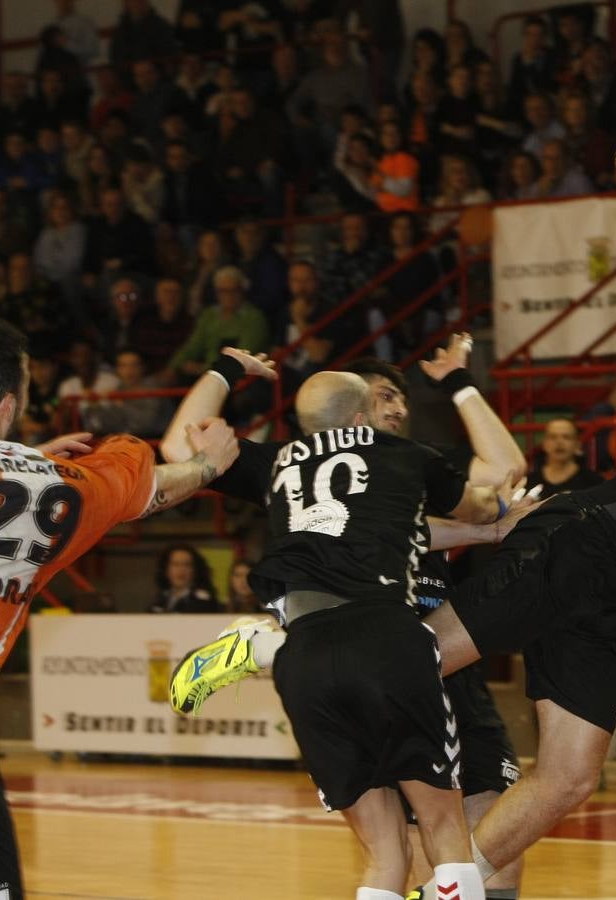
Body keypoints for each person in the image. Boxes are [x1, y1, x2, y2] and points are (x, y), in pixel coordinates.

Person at [189, 160, 616, 893]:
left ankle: (445, 889)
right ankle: (280, 635)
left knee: (570, 777)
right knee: (419, 657)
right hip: (586, 533)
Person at [164, 346, 531, 898]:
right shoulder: (404, 462)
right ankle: (263, 648)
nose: (399, 409)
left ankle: (266, 648)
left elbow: (501, 471)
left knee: (453, 853)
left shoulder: (321, 461)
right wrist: (494, 522)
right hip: (401, 646)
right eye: (383, 396)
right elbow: (495, 492)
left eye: (403, 399)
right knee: (445, 838)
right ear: (354, 410)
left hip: (339, 651)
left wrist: (459, 383)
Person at [0, 317, 238, 900]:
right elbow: (154, 488)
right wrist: (210, 465)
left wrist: (13, 462)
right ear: (9, 407)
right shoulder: (57, 486)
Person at [148, 544, 222, 613]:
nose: (181, 570)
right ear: (166, 569)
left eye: (187, 565)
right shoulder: (160, 600)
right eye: (175, 564)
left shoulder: (204, 601)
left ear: (195, 570)